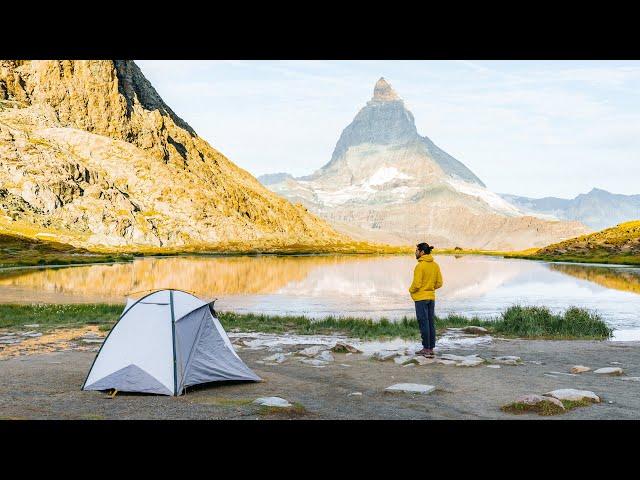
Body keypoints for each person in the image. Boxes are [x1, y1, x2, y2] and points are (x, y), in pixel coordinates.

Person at [409, 242, 443, 357]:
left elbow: (417, 284)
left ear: (422, 252)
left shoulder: (420, 266)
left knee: (423, 323)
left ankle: (425, 348)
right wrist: (430, 288)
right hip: (431, 297)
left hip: (421, 299)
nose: (415, 252)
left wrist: (410, 290)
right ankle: (430, 348)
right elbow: (439, 283)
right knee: (430, 323)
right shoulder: (435, 265)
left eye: (417, 250)